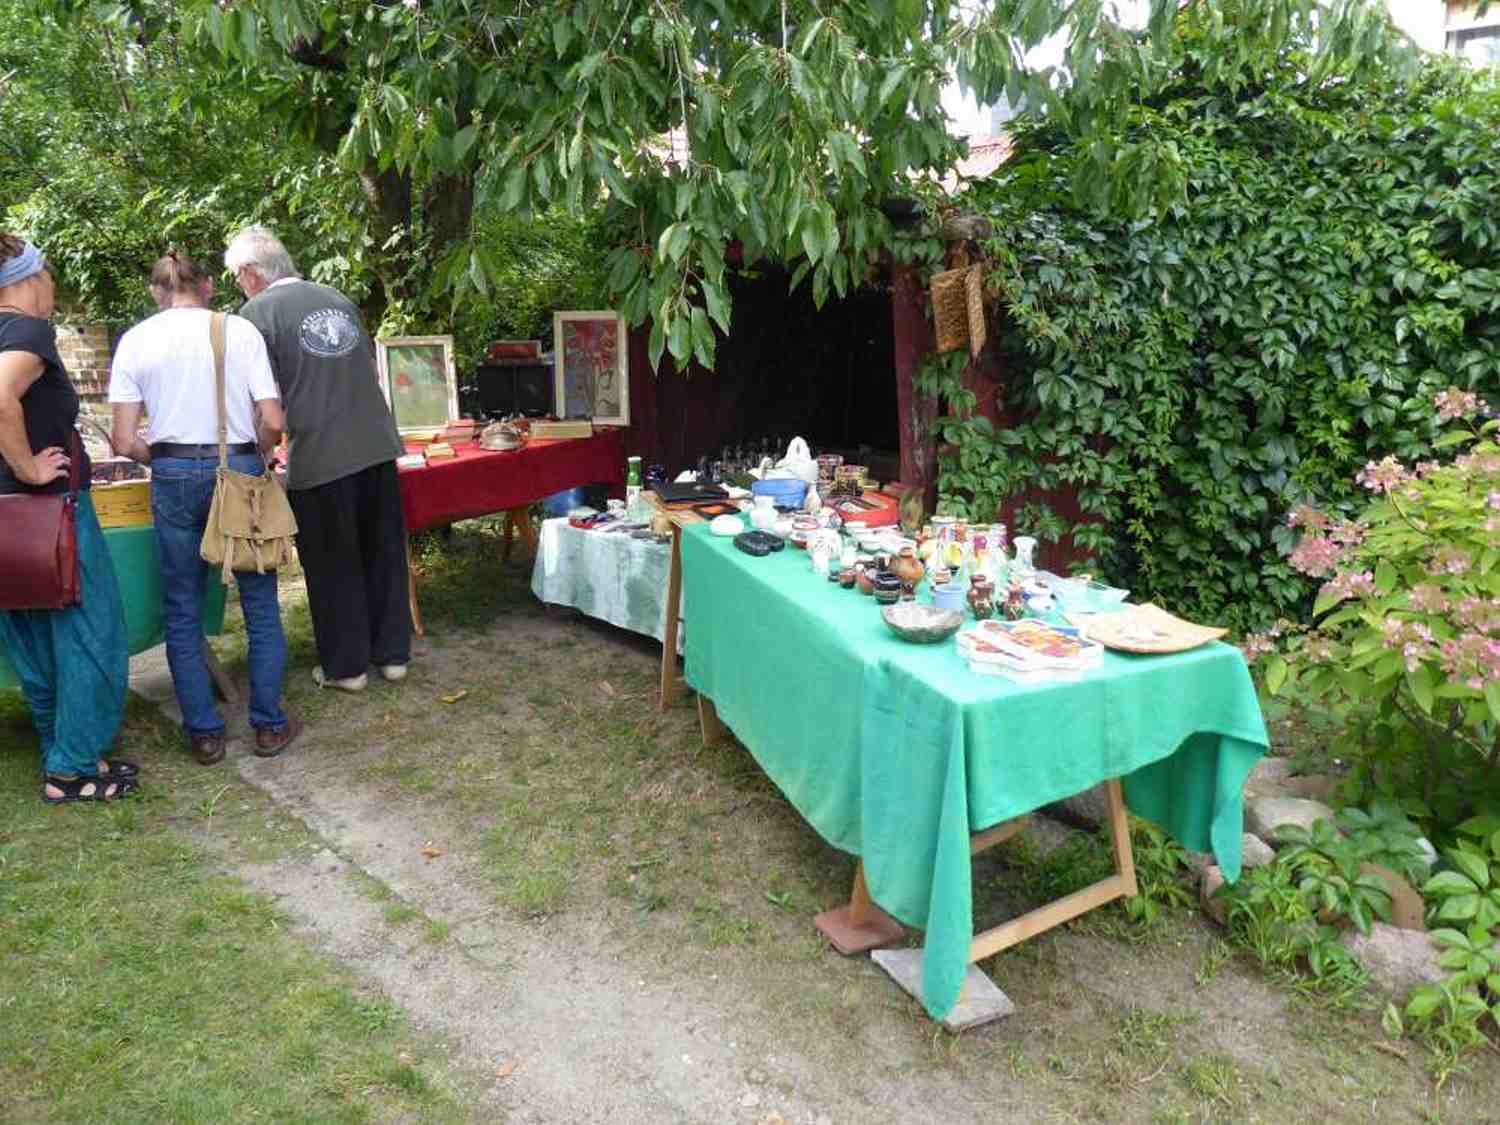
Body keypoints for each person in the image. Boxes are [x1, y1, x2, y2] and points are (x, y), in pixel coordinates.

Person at [109, 251, 300, 764]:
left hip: (172, 474)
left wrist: (167, 459)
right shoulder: (239, 331)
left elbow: (124, 440)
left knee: (182, 608)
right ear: (209, 286)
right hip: (239, 470)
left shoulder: (135, 341)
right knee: (260, 603)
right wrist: (257, 451)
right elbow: (273, 420)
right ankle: (268, 725)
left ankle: (205, 733)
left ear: (157, 291)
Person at [224, 226, 411, 691]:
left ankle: (346, 668)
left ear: (249, 272)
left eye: (236, 275)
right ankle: (393, 656)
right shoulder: (337, 297)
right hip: (377, 445)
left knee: (333, 562)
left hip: (321, 454)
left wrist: (262, 453)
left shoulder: (256, 314)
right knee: (382, 551)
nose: (237, 284)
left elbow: (263, 402)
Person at [0, 233, 135, 802]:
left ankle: (64, 753)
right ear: (35, 277)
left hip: (7, 521)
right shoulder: (27, 330)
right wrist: (29, 467)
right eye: (53, 277)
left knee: (34, 640)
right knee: (89, 634)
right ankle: (72, 769)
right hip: (50, 512)